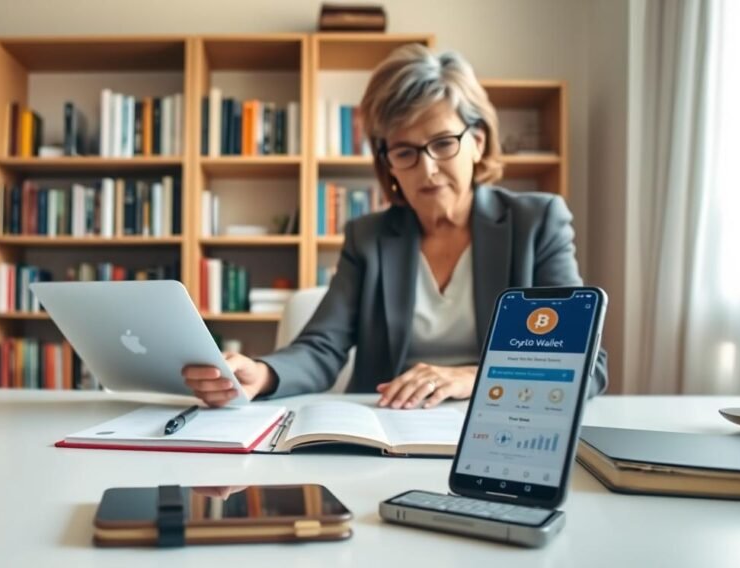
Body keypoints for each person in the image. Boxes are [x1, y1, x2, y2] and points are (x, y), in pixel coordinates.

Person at [183, 45, 608, 409]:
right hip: (387, 430)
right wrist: (262, 373)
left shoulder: (537, 223)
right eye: (405, 152)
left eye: (443, 143)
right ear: (387, 165)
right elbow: (321, 348)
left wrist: (471, 378)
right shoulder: (368, 238)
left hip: (499, 428)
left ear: (477, 142)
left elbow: (586, 366)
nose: (427, 169)